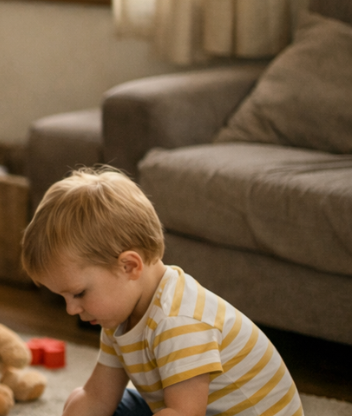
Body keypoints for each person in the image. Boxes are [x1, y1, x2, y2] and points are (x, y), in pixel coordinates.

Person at [20, 168, 302, 416]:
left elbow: (184, 413)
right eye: (64, 298)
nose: (71, 309)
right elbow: (97, 397)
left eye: (78, 294)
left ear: (129, 266)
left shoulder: (179, 321)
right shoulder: (116, 314)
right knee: (80, 401)